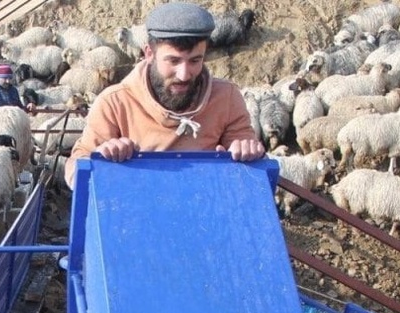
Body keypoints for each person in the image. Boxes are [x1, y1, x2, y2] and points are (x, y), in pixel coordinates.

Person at [65, 1, 266, 188]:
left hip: (205, 212)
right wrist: (99, 158)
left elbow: (249, 167)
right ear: (149, 54)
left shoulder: (227, 98)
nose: (184, 74)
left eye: (195, 61)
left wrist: (246, 152)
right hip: (136, 216)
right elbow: (75, 170)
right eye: (174, 61)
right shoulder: (114, 103)